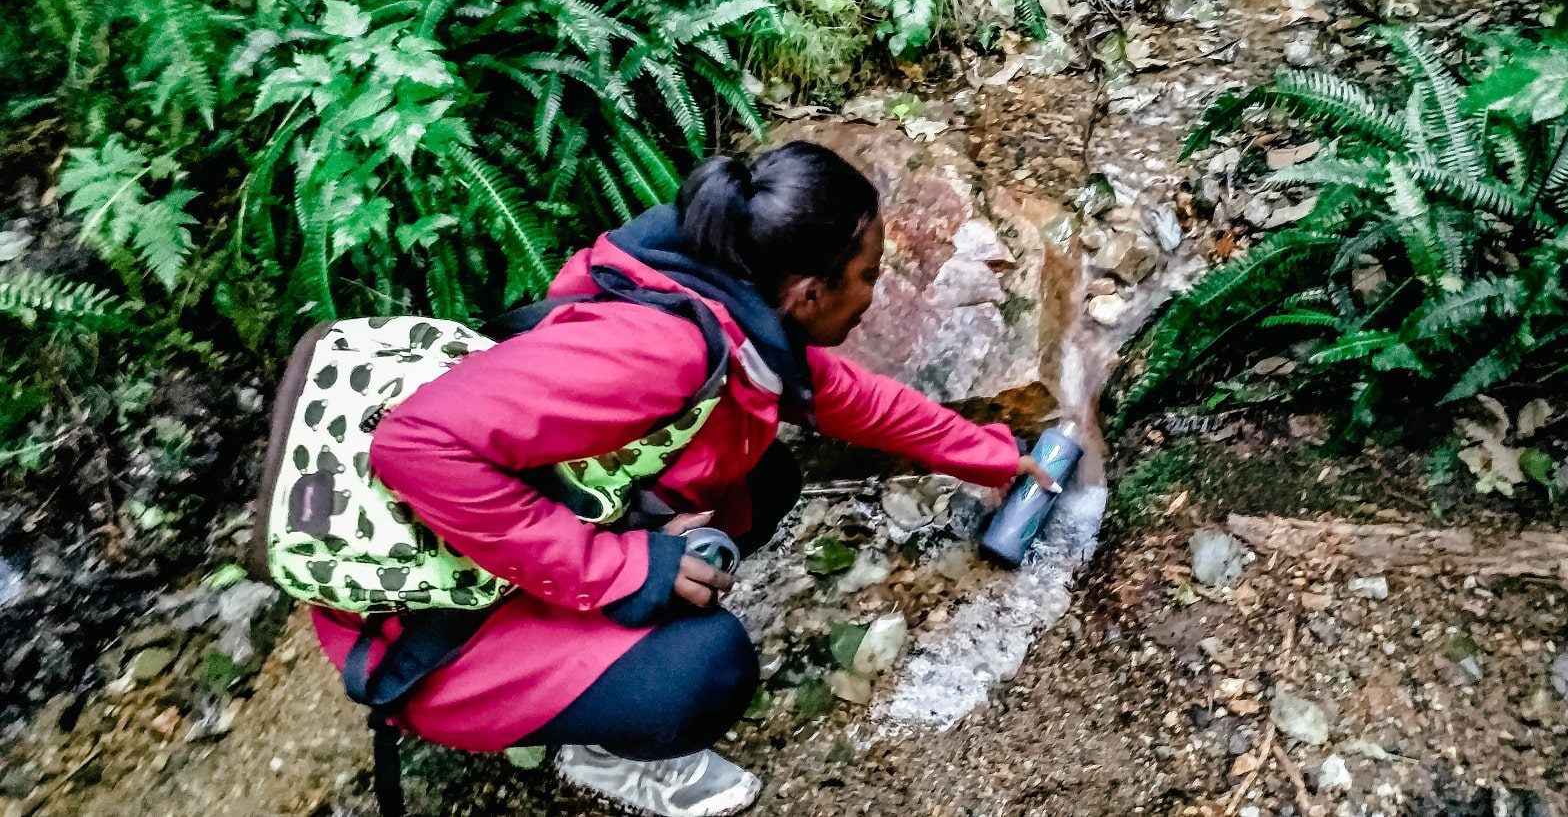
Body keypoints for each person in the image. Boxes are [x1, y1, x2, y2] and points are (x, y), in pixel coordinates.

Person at [310, 141, 1057, 817]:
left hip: (505, 543)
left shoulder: (718, 294)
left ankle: (594, 673)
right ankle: (603, 748)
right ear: (807, 292)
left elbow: (837, 395)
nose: (873, 297)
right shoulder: (660, 353)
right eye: (868, 276)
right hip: (434, 632)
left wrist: (988, 453)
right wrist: (620, 568)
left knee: (759, 481)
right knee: (708, 671)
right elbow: (415, 444)